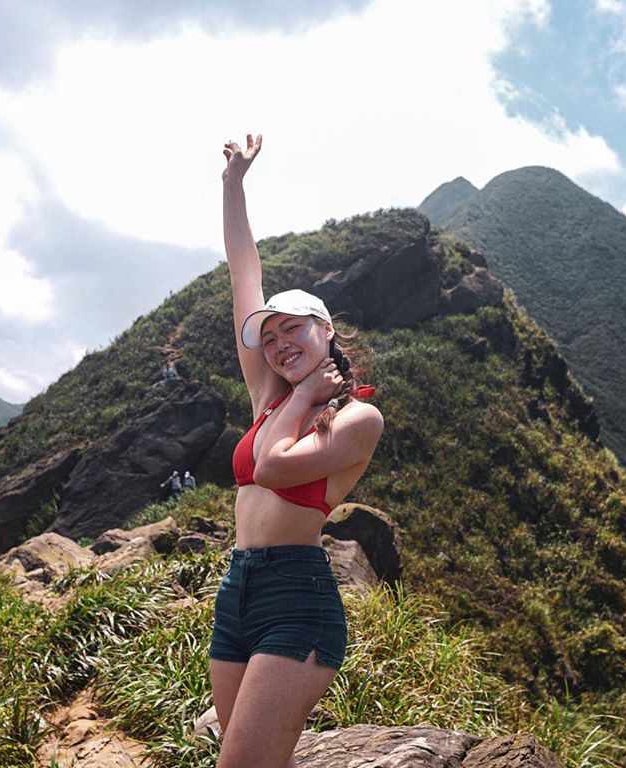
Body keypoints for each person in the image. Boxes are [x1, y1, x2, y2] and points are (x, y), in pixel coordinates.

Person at [209, 133, 384, 768]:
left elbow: (273, 465)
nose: (280, 343)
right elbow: (243, 274)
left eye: (295, 329)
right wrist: (234, 186)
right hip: (238, 589)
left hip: (296, 594)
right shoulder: (269, 397)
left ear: (327, 330)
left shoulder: (358, 418)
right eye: (271, 336)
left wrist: (310, 391)